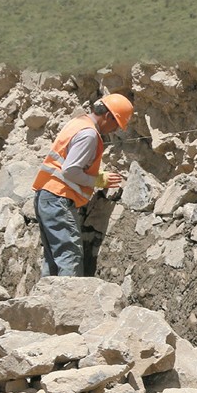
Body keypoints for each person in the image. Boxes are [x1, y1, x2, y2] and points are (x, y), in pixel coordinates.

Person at [32, 93, 134, 277]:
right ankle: (68, 295)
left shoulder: (78, 123)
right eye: (116, 124)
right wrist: (96, 181)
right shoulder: (89, 134)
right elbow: (70, 170)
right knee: (69, 254)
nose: (114, 130)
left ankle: (47, 295)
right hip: (58, 197)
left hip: (46, 196)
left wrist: (94, 175)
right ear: (108, 116)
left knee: (53, 258)